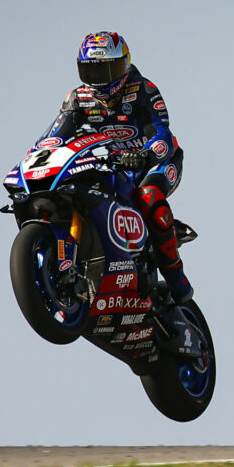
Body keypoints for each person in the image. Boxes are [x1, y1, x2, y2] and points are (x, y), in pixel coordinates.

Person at [41, 31, 193, 303]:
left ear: (123, 65)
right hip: (109, 165)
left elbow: (163, 135)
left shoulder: (143, 89)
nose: (99, 78)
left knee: (149, 198)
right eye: (91, 70)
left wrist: (145, 156)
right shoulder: (77, 98)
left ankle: (178, 282)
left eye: (106, 69)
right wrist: (41, 156)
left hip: (155, 162)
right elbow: (54, 137)